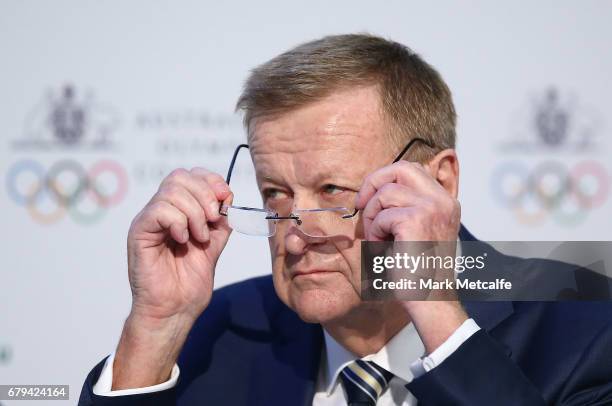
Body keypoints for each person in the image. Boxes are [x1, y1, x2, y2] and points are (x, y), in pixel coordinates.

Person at [79, 34, 612, 405]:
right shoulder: (219, 330)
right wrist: (157, 329)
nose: (293, 236)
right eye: (276, 195)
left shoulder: (587, 329)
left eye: (333, 191)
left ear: (440, 182)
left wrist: (433, 303)